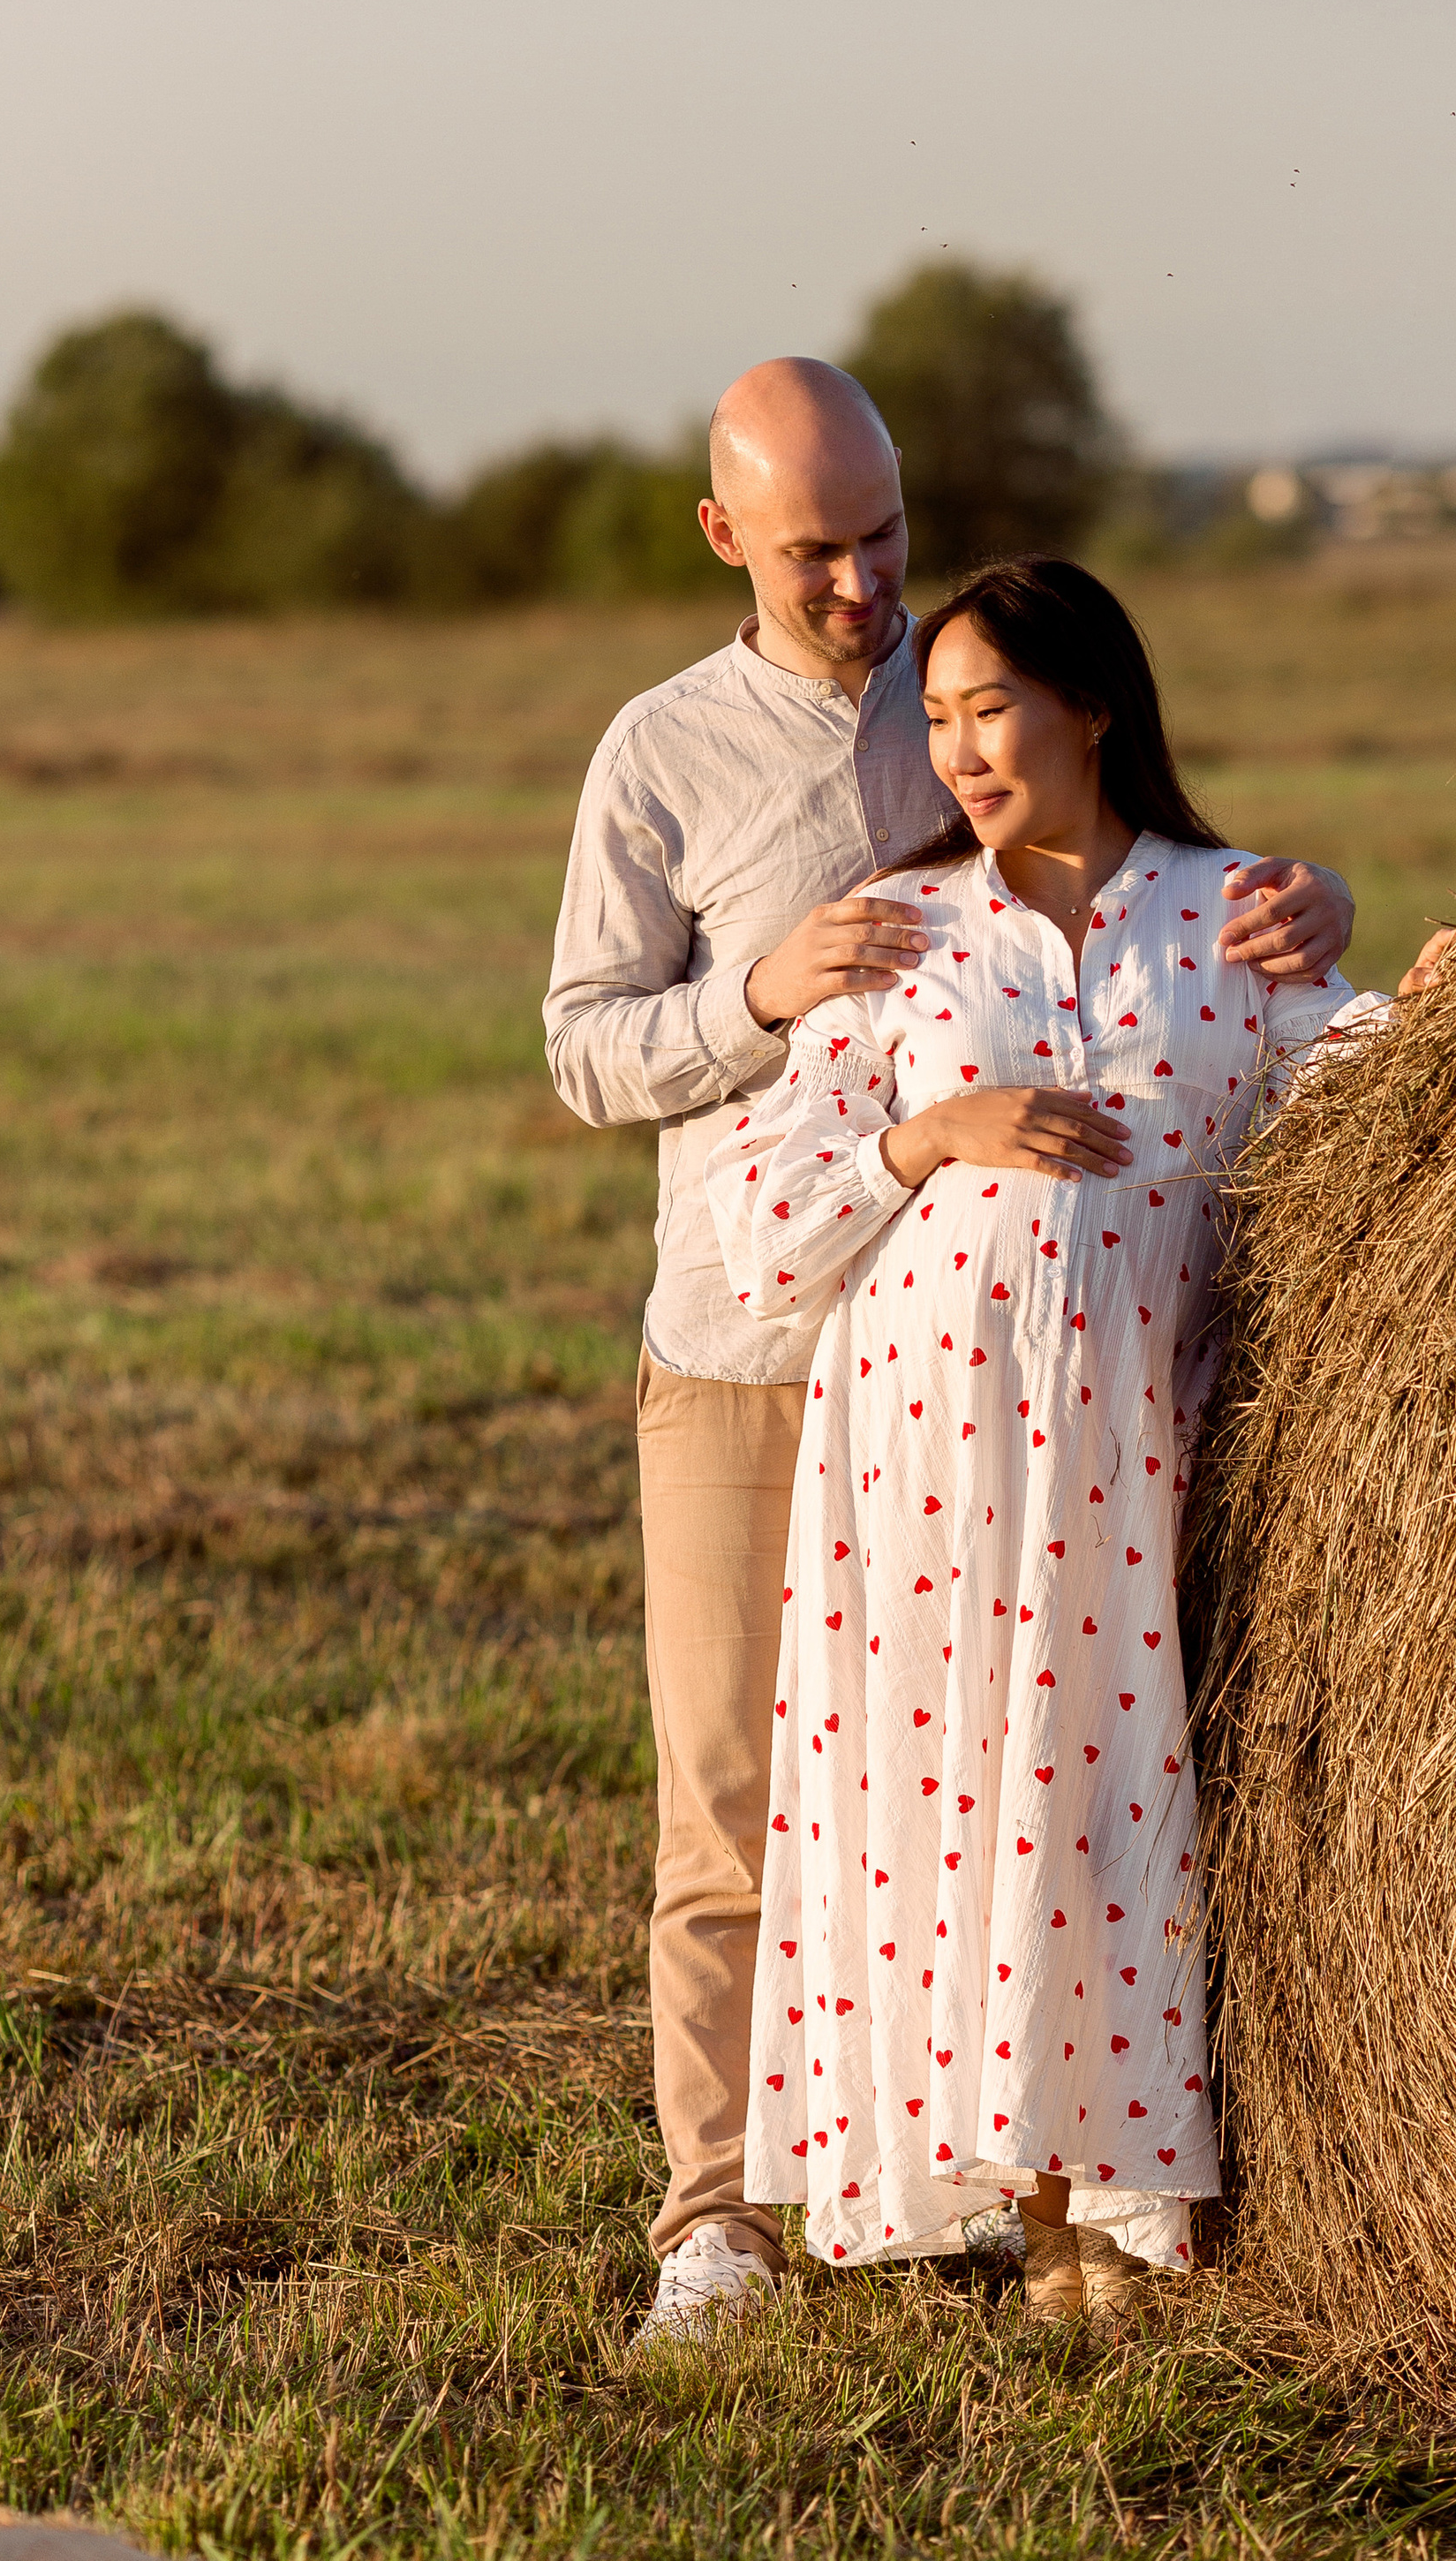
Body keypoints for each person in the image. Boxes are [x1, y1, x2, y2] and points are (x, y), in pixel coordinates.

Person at [542, 359, 1358, 2345]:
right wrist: (759, 989)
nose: (858, 586)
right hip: (757, 1347)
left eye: (878, 535)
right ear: (725, 535)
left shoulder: (979, 667)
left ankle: (1064, 2175)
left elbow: (1172, 882)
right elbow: (583, 1047)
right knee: (746, 1808)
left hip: (1085, 1403)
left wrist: (1320, 909)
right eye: (813, 549)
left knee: (1056, 1779)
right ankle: (714, 2223)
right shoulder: (660, 755)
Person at [705, 556, 1395, 2316]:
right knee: (936, 1810)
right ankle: (987, 2191)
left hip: (1125, 1461)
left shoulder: (1227, 916)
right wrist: (927, 1138)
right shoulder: (904, 930)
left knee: (1096, 1808)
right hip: (921, 1460)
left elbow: (1361, 1097)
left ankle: (1113, 2208)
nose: (958, 752)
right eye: (933, 720)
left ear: (1092, 704)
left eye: (989, 707)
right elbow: (763, 1210)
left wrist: (1428, 956)